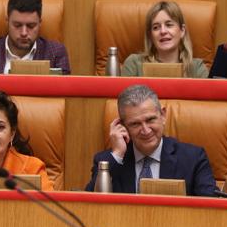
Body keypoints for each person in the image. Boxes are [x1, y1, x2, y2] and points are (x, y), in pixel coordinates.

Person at [85, 84, 216, 196]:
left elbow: (209, 209)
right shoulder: (108, 162)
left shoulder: (193, 158)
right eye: (135, 124)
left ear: (163, 115)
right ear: (123, 126)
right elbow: (91, 208)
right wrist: (118, 155)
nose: (146, 130)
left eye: (150, 120)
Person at [0, 0, 71, 75]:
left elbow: (64, 95)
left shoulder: (56, 53)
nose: (24, 33)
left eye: (31, 26)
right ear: (7, 21)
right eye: (17, 25)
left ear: (40, 23)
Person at [121, 1, 209, 78]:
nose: (163, 31)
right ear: (150, 35)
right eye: (156, 27)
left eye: (169, 25)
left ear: (182, 31)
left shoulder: (197, 68)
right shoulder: (134, 64)